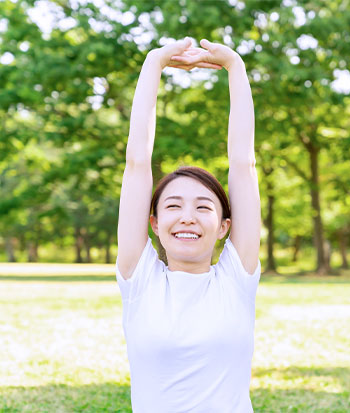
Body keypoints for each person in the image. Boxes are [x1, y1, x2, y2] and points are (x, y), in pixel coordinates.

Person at [115, 37, 261, 412]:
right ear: (154, 223)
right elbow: (136, 165)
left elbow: (243, 164)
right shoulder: (140, 279)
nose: (187, 217)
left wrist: (235, 67)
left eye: (203, 207)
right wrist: (153, 63)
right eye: (174, 205)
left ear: (225, 226)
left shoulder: (236, 278)